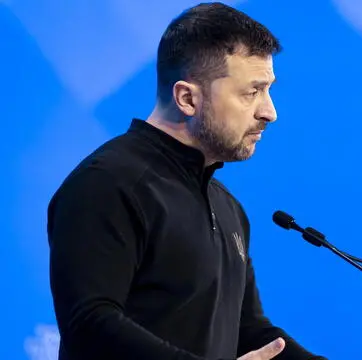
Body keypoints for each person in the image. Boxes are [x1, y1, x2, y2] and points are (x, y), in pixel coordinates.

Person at [46, 3, 326, 360]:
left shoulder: (227, 207)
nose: (269, 112)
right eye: (251, 92)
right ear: (187, 98)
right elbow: (90, 324)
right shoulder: (107, 183)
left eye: (268, 90)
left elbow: (248, 330)